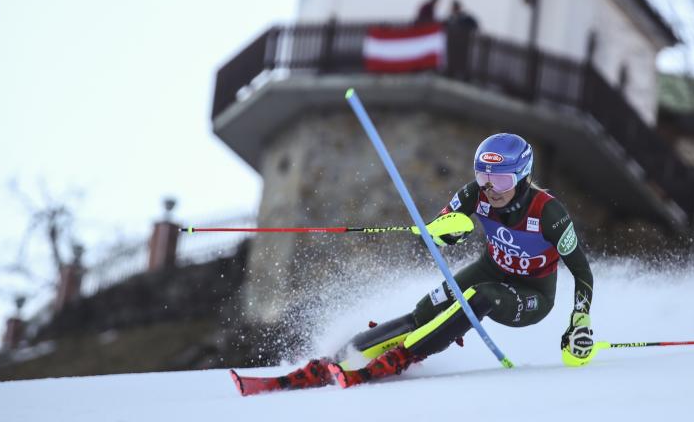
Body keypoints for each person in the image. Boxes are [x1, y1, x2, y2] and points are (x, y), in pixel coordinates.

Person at [234, 133, 595, 394]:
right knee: (422, 313)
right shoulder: (475, 195)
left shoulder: (548, 212)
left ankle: (399, 359)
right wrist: (443, 232)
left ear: (522, 176)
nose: (490, 188)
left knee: (480, 296)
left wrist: (579, 321)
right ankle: (332, 360)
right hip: (492, 267)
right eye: (483, 177)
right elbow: (433, 231)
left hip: (532, 294)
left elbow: (581, 270)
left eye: (499, 179)